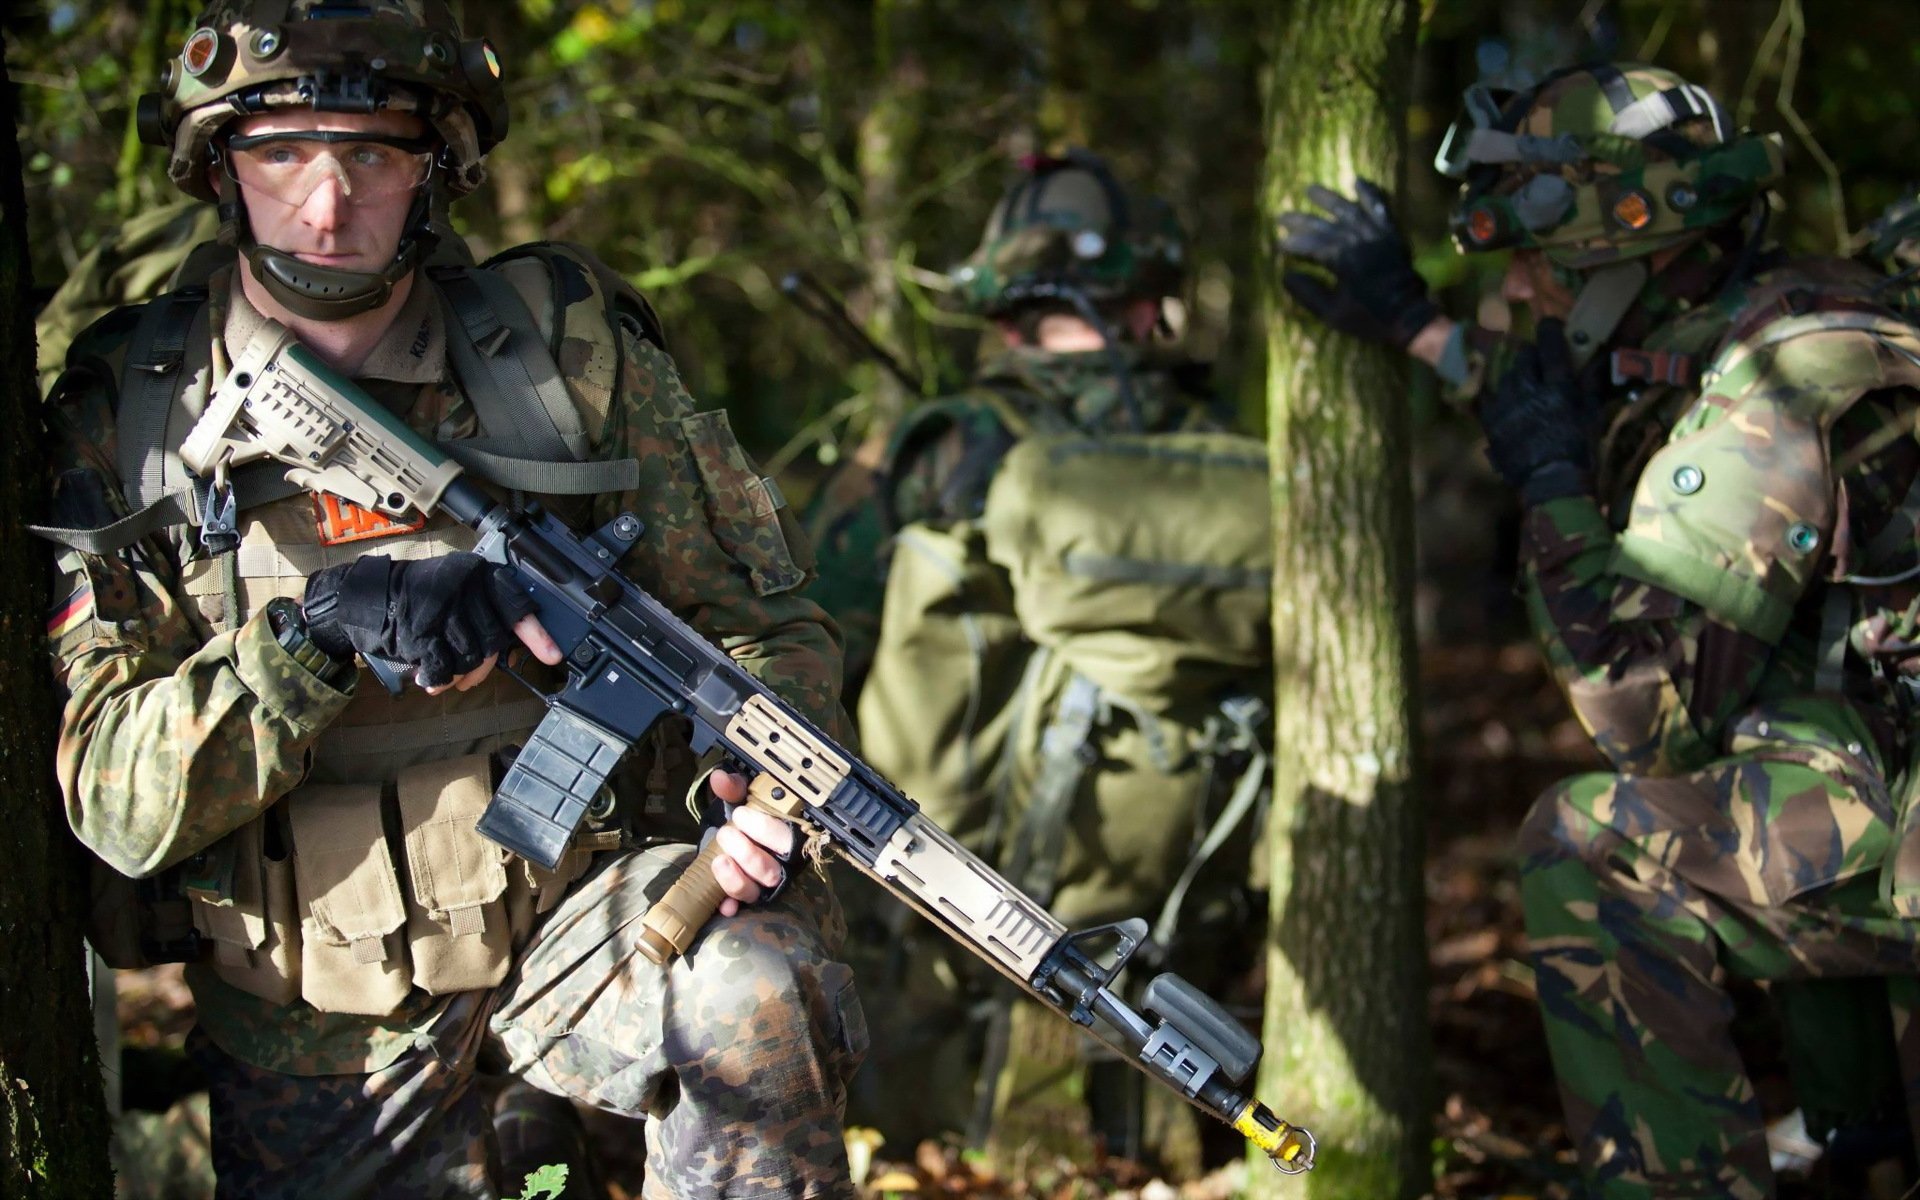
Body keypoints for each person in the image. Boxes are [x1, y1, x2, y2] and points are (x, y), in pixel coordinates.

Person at [38, 3, 864, 1197]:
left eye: (371, 153)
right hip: (323, 1028)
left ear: (440, 170)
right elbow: (117, 803)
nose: (327, 205)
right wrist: (311, 641)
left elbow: (762, 631)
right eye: (282, 155)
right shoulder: (135, 416)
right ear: (220, 166)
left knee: (757, 981)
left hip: (589, 938)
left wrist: (754, 796)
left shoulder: (568, 355)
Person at [1281, 62, 1920, 1198]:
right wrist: (1417, 327)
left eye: (1544, 260)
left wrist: (1551, 489)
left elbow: (1645, 714)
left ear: (1634, 251)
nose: (1519, 283)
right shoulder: (1775, 312)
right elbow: (1612, 403)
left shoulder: (1785, 378)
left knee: (1601, 844)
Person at [850, 150, 1272, 1169]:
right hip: (1202, 933)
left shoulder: (952, 446)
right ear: (1149, 308)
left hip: (975, 927)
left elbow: (831, 633)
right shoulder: (1226, 453)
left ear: (1006, 314)